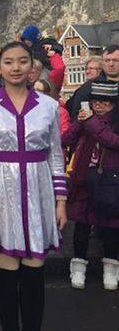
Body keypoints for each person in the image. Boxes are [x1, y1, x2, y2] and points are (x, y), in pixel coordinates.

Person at [0, 41, 67, 331]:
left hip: (39, 190)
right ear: (0, 67)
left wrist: (61, 201)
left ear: (32, 67)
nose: (16, 67)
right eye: (9, 62)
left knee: (35, 276)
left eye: (23, 61)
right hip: (1, 190)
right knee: (6, 275)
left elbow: (55, 155)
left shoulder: (48, 106)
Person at [61, 81, 119, 291]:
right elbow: (65, 139)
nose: (99, 106)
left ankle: (111, 268)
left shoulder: (113, 123)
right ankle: (78, 265)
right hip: (84, 180)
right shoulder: (87, 119)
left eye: (105, 103)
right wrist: (79, 122)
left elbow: (112, 141)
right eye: (96, 102)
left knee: (111, 228)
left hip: (109, 184)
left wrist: (92, 122)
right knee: (81, 226)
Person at [69, 45, 119, 121]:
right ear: (102, 62)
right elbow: (76, 119)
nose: (111, 64)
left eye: (115, 60)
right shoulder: (88, 88)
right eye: (107, 60)